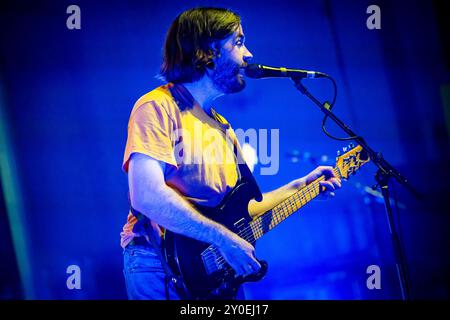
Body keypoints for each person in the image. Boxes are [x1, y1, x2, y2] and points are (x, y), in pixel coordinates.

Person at [120, 7, 341, 300]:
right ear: (207, 51)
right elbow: (146, 195)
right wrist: (222, 239)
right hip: (160, 266)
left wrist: (301, 187)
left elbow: (241, 210)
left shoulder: (223, 127)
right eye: (238, 42)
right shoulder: (157, 107)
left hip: (213, 273)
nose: (248, 54)